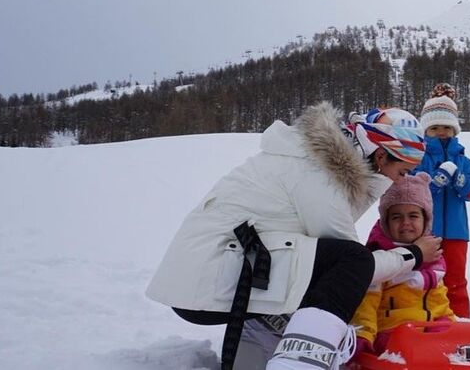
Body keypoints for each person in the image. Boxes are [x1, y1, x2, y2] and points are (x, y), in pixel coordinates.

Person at [145, 102, 443, 370]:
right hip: (209, 282)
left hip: (216, 273)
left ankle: (264, 350)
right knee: (349, 263)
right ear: (380, 155)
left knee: (316, 268)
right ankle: (300, 362)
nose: (398, 180)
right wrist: (415, 254)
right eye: (402, 171)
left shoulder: (315, 162)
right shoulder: (319, 175)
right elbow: (356, 267)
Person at [351, 171, 455, 355]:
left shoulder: (433, 255)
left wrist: (449, 322)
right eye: (397, 217)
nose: (405, 222)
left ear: (426, 220)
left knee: (455, 346)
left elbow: (439, 300)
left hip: (433, 326)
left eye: (413, 216)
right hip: (393, 332)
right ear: (385, 222)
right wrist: (362, 336)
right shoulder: (381, 257)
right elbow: (366, 304)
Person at [415, 83, 470, 317]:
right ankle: (425, 316)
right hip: (425, 231)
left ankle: (460, 320)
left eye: (446, 127)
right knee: (425, 276)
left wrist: (460, 180)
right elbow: (410, 188)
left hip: (456, 232)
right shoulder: (418, 157)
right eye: (435, 127)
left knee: (455, 278)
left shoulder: (463, 160)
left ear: (454, 130)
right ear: (426, 130)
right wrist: (434, 183)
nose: (441, 132)